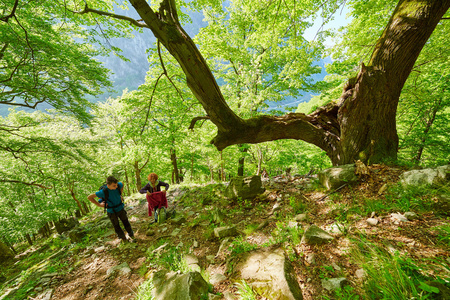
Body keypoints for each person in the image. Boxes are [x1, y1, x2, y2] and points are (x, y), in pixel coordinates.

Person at [88, 176, 136, 243]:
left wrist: (120, 194)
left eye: (116, 185)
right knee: (116, 225)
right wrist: (99, 205)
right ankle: (123, 239)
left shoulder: (118, 185)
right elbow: (90, 197)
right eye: (114, 186)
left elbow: (122, 183)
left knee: (126, 222)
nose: (116, 187)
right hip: (111, 211)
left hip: (120, 208)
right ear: (108, 185)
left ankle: (131, 235)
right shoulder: (103, 192)